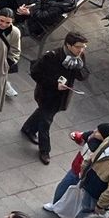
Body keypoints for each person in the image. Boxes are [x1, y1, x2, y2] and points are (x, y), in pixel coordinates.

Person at [24, 32, 91, 164]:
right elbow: (35, 73)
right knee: (46, 121)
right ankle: (44, 150)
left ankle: (28, 128)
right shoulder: (52, 56)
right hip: (47, 94)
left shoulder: (80, 56)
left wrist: (79, 67)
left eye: (83, 47)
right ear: (68, 45)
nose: (81, 50)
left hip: (63, 96)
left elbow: (83, 75)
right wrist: (55, 84)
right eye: (78, 46)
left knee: (44, 114)